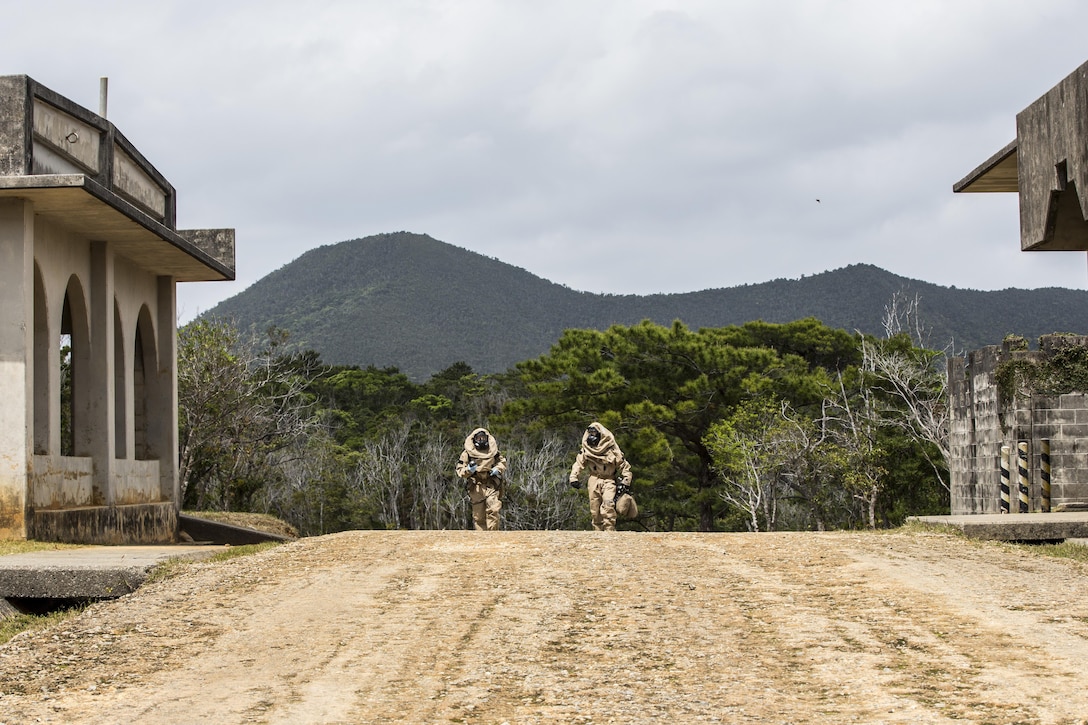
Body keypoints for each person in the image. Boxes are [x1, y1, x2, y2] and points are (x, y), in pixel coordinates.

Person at [567, 422, 632, 531]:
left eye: (594, 433)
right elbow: (578, 464)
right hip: (593, 479)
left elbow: (624, 465)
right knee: (595, 509)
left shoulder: (611, 448)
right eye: (590, 433)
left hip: (609, 479)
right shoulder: (586, 449)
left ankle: (609, 530)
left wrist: (626, 480)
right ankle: (597, 532)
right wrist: (573, 478)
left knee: (608, 504)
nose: (592, 436)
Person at [456, 427, 507, 531]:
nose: (481, 440)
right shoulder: (467, 453)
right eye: (479, 438)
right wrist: (469, 470)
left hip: (491, 483)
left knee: (493, 509)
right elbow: (460, 469)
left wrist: (497, 469)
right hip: (476, 485)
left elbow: (502, 462)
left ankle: (493, 534)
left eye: (483, 438)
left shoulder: (493, 451)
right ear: (474, 440)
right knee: (479, 515)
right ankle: (482, 537)